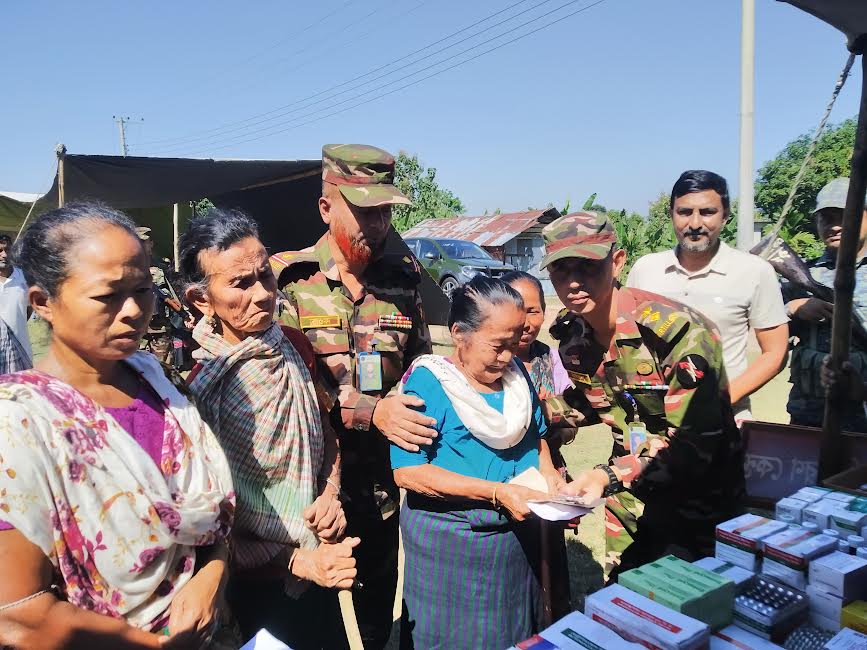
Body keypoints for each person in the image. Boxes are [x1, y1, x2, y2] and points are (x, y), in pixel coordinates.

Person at [0, 203, 235, 648]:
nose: (132, 310)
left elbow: (208, 522)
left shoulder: (157, 381)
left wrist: (212, 578)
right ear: (43, 302)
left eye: (142, 289)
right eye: (108, 295)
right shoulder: (18, 422)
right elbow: (19, 611)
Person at [272, 144, 434, 649]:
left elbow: (421, 371)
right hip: (311, 492)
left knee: (373, 613)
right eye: (364, 210)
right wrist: (370, 411)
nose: (378, 223)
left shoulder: (403, 282)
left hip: (381, 491)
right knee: (307, 622)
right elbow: (288, 386)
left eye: (385, 210)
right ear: (326, 207)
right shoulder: (289, 281)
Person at [178, 209, 354, 649]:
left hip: (318, 563)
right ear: (202, 300)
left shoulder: (292, 345)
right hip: (245, 584)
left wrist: (329, 494)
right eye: (240, 284)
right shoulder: (199, 388)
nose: (262, 295)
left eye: (265, 278)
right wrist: (295, 559)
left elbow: (325, 434)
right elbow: (206, 520)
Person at [543, 212, 745, 579]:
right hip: (629, 500)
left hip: (697, 504)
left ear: (617, 262)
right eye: (560, 270)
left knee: (688, 612)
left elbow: (693, 446)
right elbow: (592, 401)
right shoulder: (574, 336)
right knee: (623, 604)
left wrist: (607, 476)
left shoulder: (677, 333)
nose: (573, 283)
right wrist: (530, 414)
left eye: (587, 266)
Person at [392, 275, 569, 650]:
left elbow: (536, 438)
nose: (508, 356)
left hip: (519, 539)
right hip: (454, 549)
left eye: (515, 341)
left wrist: (551, 477)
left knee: (518, 631)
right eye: (497, 346)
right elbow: (408, 471)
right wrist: (495, 492)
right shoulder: (429, 383)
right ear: (459, 333)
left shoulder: (516, 375)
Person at [627, 171, 789, 422]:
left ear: (725, 215)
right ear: (671, 214)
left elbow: (775, 353)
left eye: (707, 212)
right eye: (684, 212)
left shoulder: (754, 272)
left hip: (726, 418)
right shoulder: (645, 269)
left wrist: (720, 401)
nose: (694, 223)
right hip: (655, 422)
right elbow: (628, 342)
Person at [784, 177, 867, 432]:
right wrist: (793, 308)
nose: (835, 226)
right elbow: (767, 333)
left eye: (843, 216)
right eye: (826, 218)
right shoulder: (803, 275)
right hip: (808, 418)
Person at [0, 233, 33, 364]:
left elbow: (29, 310)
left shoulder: (25, 278)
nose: (5, 255)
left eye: (8, 250)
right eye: (0, 251)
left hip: (21, 351)